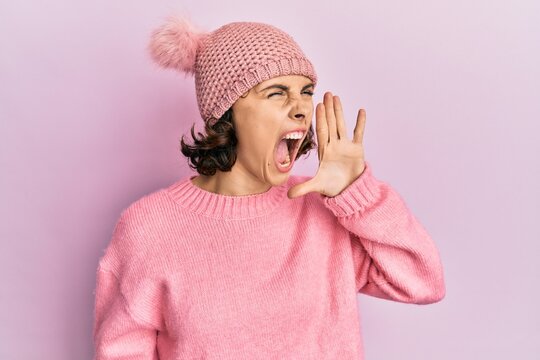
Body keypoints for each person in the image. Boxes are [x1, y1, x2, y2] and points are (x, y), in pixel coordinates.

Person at [93, 15, 446, 360]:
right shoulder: (149, 227)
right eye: (276, 93)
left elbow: (422, 281)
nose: (301, 109)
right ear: (226, 113)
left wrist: (356, 194)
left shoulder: (325, 210)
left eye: (306, 91)